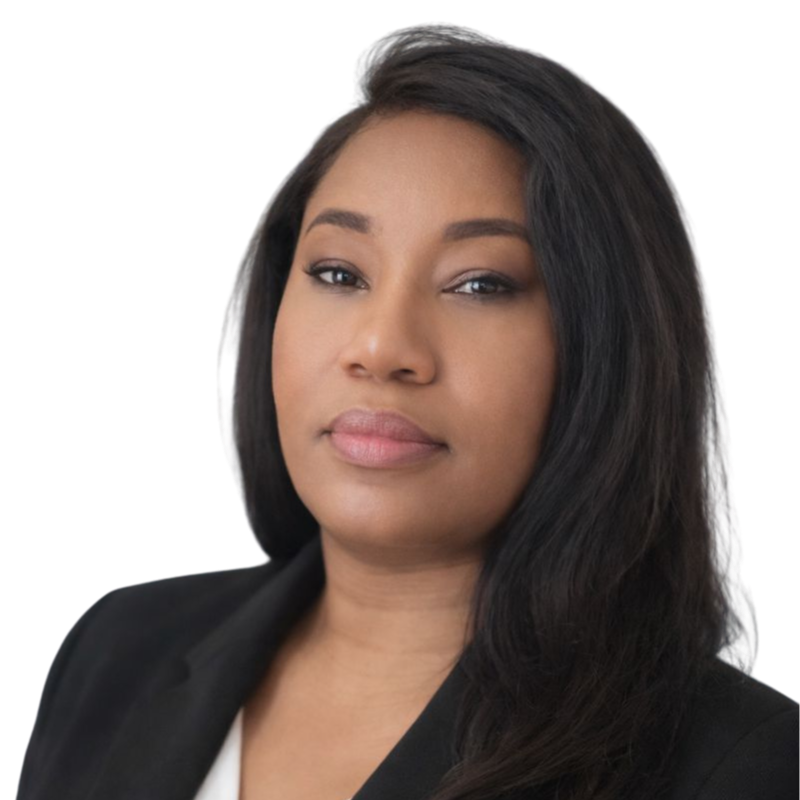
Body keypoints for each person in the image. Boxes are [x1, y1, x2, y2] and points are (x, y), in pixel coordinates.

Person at [17, 22, 799, 800]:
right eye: (338, 272)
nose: (382, 346)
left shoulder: (734, 764)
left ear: (607, 348)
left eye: (480, 284)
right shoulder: (121, 648)